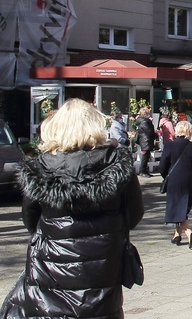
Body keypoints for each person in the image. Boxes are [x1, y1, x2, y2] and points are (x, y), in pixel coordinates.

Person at [1, 98, 144, 317]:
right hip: (103, 268)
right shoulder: (118, 164)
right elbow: (134, 214)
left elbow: (30, 219)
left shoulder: (41, 168)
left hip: (51, 270)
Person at [159, 120, 192, 249]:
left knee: (176, 208)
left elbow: (162, 166)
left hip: (175, 181)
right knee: (183, 208)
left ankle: (189, 233)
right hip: (191, 181)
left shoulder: (169, 146)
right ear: (189, 132)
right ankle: (177, 235)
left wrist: (166, 177)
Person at [135, 106, 157, 177]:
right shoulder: (144, 121)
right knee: (145, 156)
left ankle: (144, 170)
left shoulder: (142, 121)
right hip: (146, 140)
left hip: (145, 140)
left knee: (146, 156)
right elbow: (149, 131)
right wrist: (155, 135)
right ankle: (142, 171)